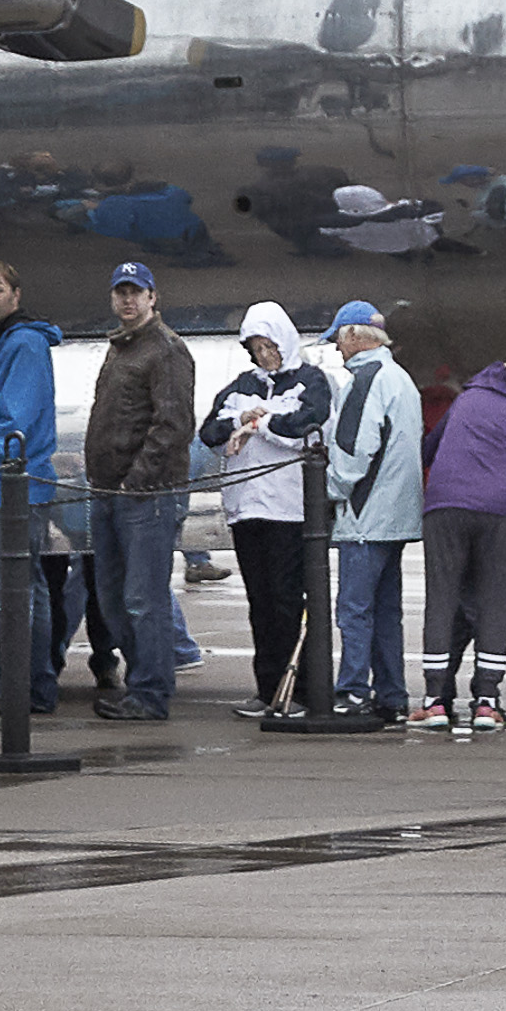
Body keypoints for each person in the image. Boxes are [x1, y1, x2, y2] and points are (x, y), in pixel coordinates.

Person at [78, 264, 196, 721]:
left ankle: (150, 692)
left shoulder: (166, 350)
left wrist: (136, 482)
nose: (127, 300)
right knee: (111, 597)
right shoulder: (120, 349)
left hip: (145, 496)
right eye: (120, 292)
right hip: (106, 491)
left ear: (152, 296)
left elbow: (173, 425)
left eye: (136, 292)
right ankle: (139, 684)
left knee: (143, 598)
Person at [205, 303, 334, 719]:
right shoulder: (242, 386)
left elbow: (307, 426)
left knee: (286, 601)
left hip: (289, 511)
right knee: (259, 602)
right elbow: (210, 429)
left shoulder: (311, 381)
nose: (265, 355)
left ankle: (303, 690)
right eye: (257, 348)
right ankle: (267, 688)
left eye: (270, 346)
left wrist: (260, 425)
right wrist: (241, 418)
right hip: (247, 510)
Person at [425, 350, 506, 733]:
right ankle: (487, 701)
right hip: (501, 510)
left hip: (445, 505)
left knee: (442, 597)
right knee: (495, 600)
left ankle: (434, 701)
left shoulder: (467, 399)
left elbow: (430, 447)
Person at [0, 274, 75, 707]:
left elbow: (14, 420)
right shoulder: (6, 343)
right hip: (10, 485)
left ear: (17, 294)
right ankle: (29, 684)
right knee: (25, 588)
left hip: (12, 488)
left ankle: (17, 687)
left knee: (11, 592)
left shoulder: (22, 344)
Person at [324, 303, 425, 725]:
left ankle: (351, 692)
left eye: (337, 341)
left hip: (365, 517)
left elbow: (352, 452)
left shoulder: (364, 380)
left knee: (354, 609)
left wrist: (329, 492)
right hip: (397, 515)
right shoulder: (401, 379)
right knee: (386, 611)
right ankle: (392, 695)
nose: (337, 351)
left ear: (352, 337)